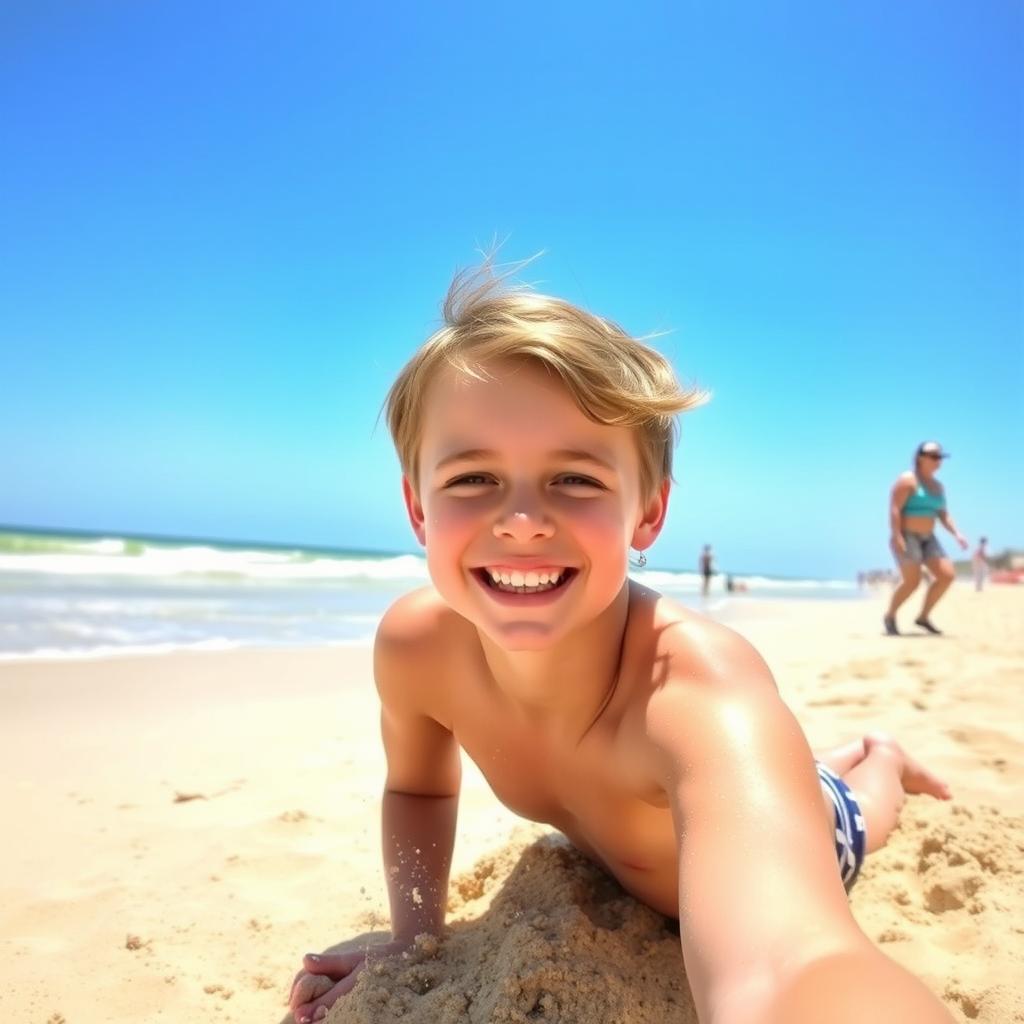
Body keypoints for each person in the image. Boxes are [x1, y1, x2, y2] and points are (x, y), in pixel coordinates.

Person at [289, 264, 955, 1024]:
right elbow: (416, 789)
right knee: (781, 769)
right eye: (473, 478)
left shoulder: (697, 692)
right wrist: (414, 937)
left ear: (649, 512)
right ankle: (817, 760)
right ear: (418, 508)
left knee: (854, 803)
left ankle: (884, 758)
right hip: (710, 793)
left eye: (574, 479)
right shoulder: (419, 649)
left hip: (817, 826)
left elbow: (789, 960)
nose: (522, 520)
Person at [883, 441, 969, 636]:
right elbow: (895, 509)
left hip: (929, 537)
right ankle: (890, 615)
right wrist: (896, 536)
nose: (938, 460)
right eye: (933, 456)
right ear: (920, 457)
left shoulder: (938, 487)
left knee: (947, 576)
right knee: (912, 582)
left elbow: (943, 514)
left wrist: (957, 533)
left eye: (940, 457)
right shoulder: (908, 480)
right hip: (907, 535)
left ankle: (923, 617)